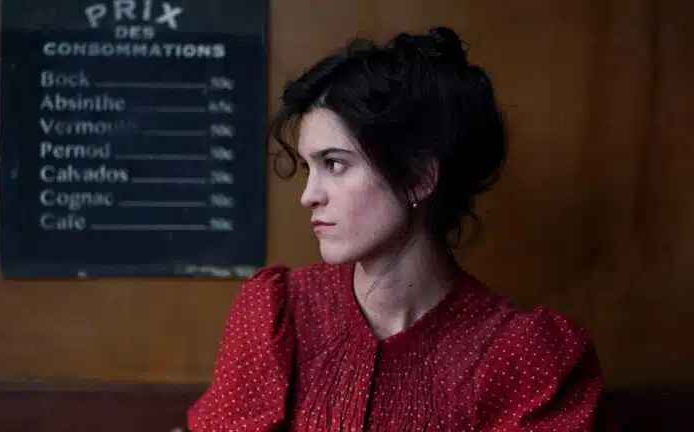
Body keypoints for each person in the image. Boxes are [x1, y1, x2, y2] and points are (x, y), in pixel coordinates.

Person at [187, 26, 606, 431]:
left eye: (335, 164)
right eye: (308, 168)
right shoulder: (278, 314)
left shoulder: (523, 355)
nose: (309, 195)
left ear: (419, 178)